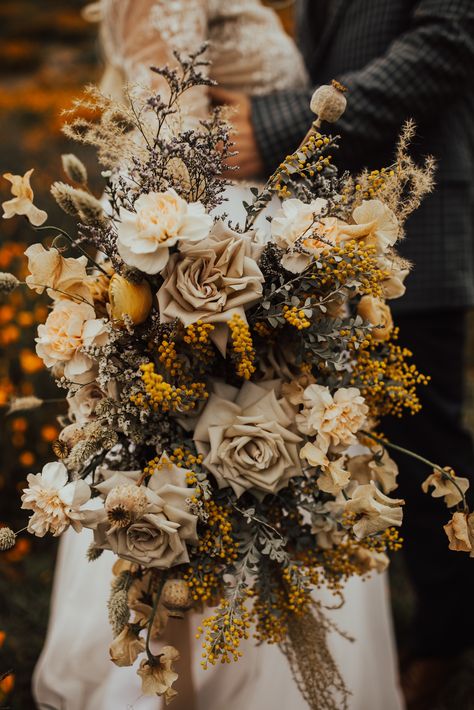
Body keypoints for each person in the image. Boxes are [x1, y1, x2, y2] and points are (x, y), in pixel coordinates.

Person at [33, 2, 404, 709]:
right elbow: (168, 138)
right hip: (214, 254)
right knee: (210, 495)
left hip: (257, 255)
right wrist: (206, 289)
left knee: (275, 484)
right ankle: (192, 683)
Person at [212, 0, 474, 707]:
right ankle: (361, 636)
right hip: (316, 243)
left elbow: (448, 41)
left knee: (425, 458)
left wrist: (280, 126)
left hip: (412, 230)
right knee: (330, 452)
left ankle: (443, 640)